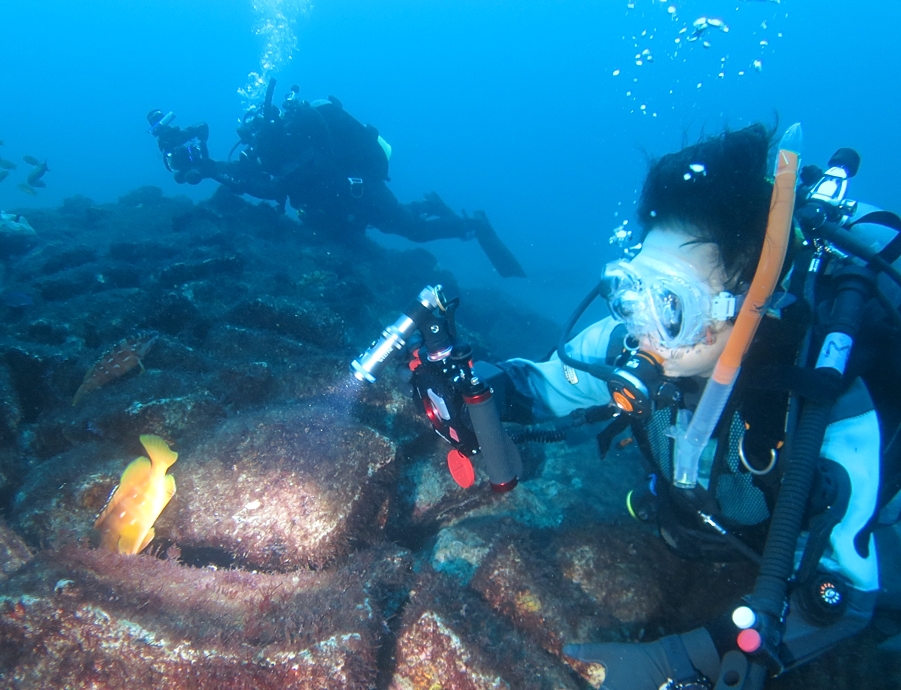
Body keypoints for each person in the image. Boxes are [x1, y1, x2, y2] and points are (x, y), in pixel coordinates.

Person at [472, 124, 901, 688]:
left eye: (670, 304)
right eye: (632, 288)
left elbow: (841, 595)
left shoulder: (830, 400)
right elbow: (550, 384)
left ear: (754, 304)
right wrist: (482, 385)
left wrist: (682, 658)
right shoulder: (634, 341)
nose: (640, 326)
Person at [146, 80, 526, 278]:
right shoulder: (273, 148)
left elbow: (272, 187)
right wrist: (210, 166)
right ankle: (427, 206)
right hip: (340, 204)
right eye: (250, 141)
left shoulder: (296, 143)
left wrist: (216, 172)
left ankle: (472, 224)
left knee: (410, 230)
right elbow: (253, 176)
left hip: (361, 195)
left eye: (255, 138)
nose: (252, 146)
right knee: (355, 237)